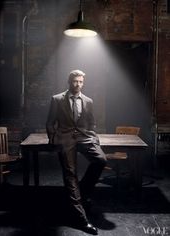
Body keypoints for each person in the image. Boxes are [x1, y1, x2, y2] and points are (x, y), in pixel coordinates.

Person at [46, 69, 107, 235]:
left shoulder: (88, 101)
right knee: (70, 175)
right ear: (69, 81)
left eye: (80, 82)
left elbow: (92, 123)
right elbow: (50, 122)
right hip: (65, 139)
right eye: (75, 81)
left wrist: (94, 139)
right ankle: (81, 219)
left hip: (85, 137)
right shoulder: (57, 99)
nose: (78, 85)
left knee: (101, 160)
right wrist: (53, 139)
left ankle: (81, 193)